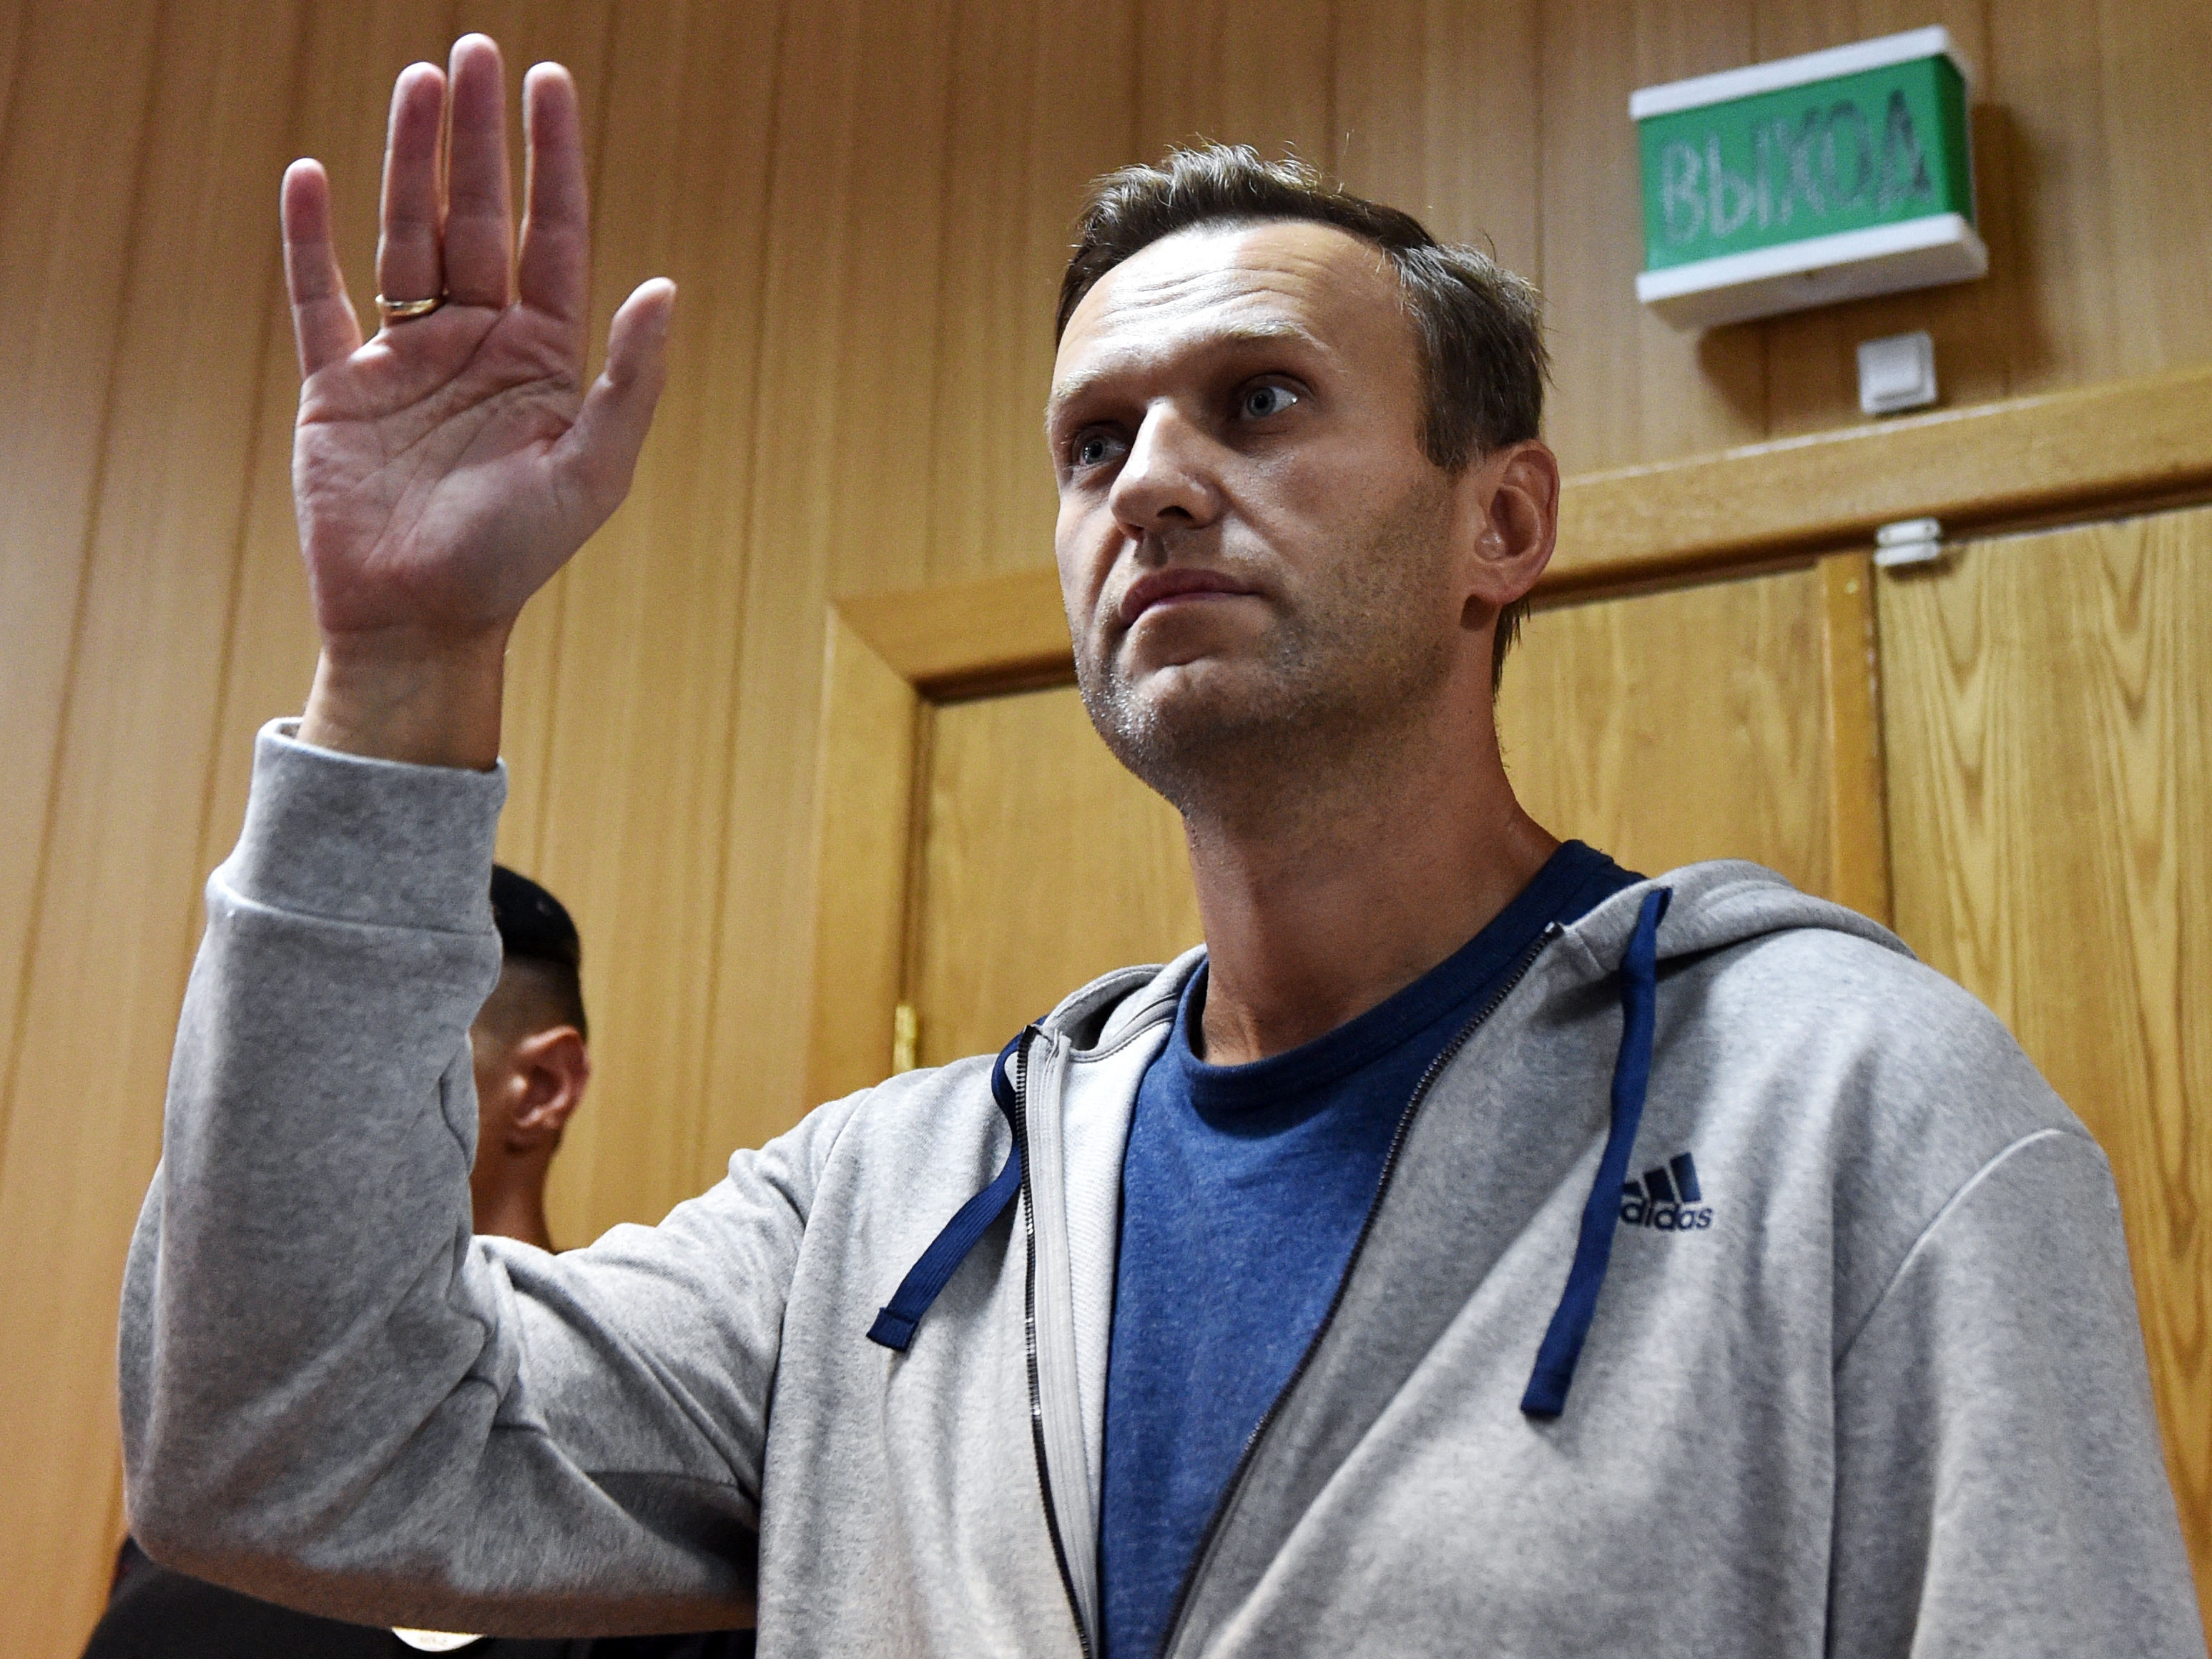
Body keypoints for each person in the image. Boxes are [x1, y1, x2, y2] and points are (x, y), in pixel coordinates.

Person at [117, 32, 2203, 1659]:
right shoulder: (882, 1211)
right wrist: (405, 660)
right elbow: (290, 1443)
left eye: (1259, 401)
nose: (1150, 482)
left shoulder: (1856, 1106)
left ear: (1499, 521)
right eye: (1092, 440)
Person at [92, 868, 752, 1658]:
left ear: (539, 1086)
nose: (289, 1108)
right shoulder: (220, 1462)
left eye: (360, 1054)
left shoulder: (661, 1472)